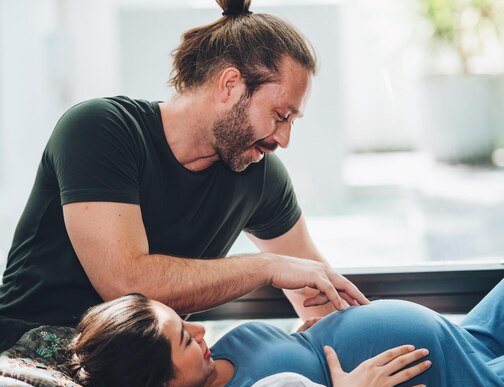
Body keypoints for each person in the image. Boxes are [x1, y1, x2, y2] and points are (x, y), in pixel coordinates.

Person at [0, 0, 368, 351]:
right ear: (230, 85)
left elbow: (315, 290)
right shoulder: (100, 130)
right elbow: (127, 285)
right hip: (31, 353)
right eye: (280, 115)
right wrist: (266, 267)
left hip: (142, 379)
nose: (284, 139)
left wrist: (339, 349)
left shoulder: (261, 176)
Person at [68, 207, 504, 387]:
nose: (198, 328)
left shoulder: (215, 365)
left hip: (468, 339)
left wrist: (316, 335)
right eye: (183, 340)